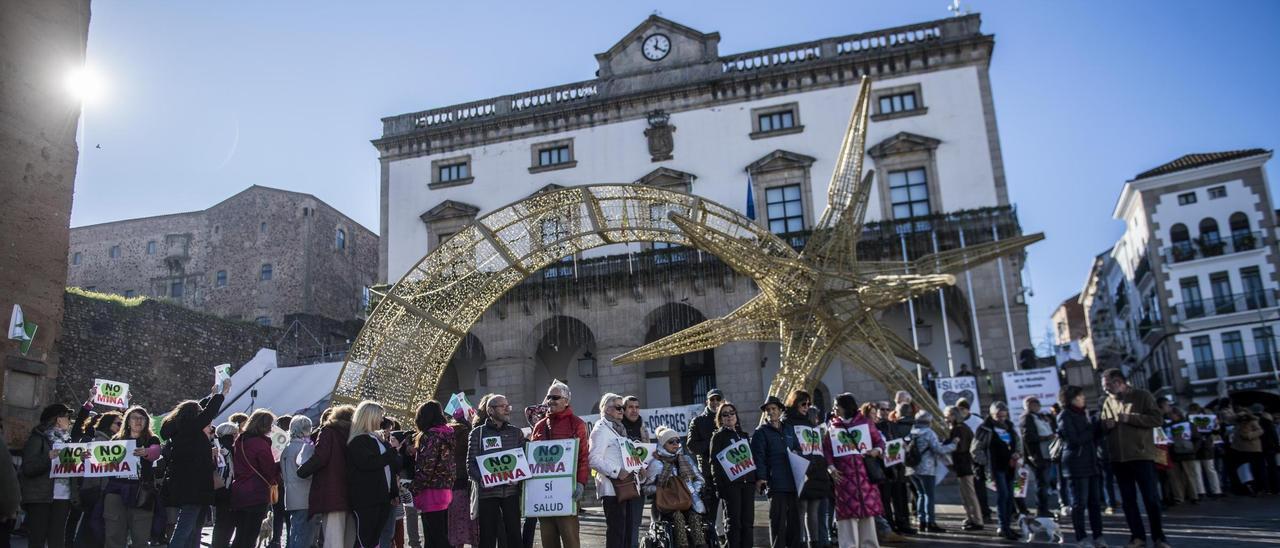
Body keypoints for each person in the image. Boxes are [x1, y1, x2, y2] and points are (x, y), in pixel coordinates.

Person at [1099, 368, 1170, 548]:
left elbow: (1157, 420)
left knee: (1151, 499)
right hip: (1118, 459)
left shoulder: (1142, 396)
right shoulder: (1107, 402)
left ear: (1119, 382)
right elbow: (1103, 426)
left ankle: (1159, 537)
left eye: (1107, 385)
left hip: (1141, 456)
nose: (1105, 389)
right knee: (1128, 501)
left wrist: (1130, 418)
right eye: (1103, 386)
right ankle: (1137, 537)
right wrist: (1105, 426)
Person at [530, 380, 590, 548]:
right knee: (548, 540)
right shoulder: (539, 426)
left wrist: (581, 483)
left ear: (566, 401)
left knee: (570, 539)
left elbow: (583, 456)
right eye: (549, 397)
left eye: (555, 397)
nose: (550, 401)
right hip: (544, 492)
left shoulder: (577, 423)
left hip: (567, 490)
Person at [823, 393, 883, 548]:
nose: (834, 408)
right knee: (846, 519)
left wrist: (876, 450)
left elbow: (879, 441)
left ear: (845, 407)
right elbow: (827, 451)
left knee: (867, 517)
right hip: (844, 478)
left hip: (864, 478)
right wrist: (831, 468)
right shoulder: (832, 427)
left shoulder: (865, 423)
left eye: (837, 405)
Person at [469, 394, 525, 548]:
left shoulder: (516, 433)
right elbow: (470, 465)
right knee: (487, 538)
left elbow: (523, 461)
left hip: (511, 493)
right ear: (490, 410)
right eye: (503, 406)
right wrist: (483, 480)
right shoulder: (477, 433)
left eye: (508, 406)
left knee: (514, 535)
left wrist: (519, 478)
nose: (507, 409)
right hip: (487, 495)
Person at [101, 407, 162, 548]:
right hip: (116, 491)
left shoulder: (152, 439)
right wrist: (89, 458)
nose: (138, 421)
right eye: (134, 417)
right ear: (128, 421)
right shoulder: (116, 439)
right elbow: (102, 462)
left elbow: (156, 452)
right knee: (113, 535)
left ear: (147, 422)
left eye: (142, 418)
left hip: (141, 492)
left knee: (140, 537)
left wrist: (146, 452)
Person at [344, 402, 402, 548]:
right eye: (379, 416)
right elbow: (368, 463)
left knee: (374, 539)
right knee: (365, 539)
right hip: (366, 499)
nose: (382, 420)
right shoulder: (358, 441)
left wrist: (393, 491)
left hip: (383, 496)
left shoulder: (376, 438)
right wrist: (392, 452)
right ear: (369, 417)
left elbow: (391, 467)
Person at [20, 403, 78, 548]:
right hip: (41, 497)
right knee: (37, 538)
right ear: (58, 419)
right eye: (67, 417)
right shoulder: (38, 438)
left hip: (63, 497)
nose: (69, 421)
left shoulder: (67, 440)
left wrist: (81, 460)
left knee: (57, 540)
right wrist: (48, 457)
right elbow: (28, 468)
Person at [297, 404, 355, 548]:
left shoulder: (329, 431)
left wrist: (302, 471)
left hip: (332, 491)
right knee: (348, 539)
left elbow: (321, 457)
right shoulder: (357, 434)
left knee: (332, 539)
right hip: (353, 493)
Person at [781, 390, 832, 548]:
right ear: (795, 403)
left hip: (816, 471)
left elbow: (819, 448)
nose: (806, 407)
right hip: (800, 470)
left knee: (814, 510)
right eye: (803, 403)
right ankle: (802, 542)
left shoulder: (811, 423)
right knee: (801, 509)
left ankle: (814, 543)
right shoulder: (788, 423)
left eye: (809, 404)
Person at [644, 426, 708, 548]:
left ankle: (701, 545)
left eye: (677, 441)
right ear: (663, 444)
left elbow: (700, 479)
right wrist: (661, 490)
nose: (675, 444)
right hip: (667, 504)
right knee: (678, 516)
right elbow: (646, 489)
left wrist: (691, 489)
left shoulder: (685, 459)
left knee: (695, 517)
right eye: (671, 442)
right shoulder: (656, 464)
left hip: (687, 501)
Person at [1057, 385, 1105, 547]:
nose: (1083, 398)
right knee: (1079, 503)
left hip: (1091, 463)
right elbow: (1074, 440)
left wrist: (1100, 426)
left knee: (1095, 503)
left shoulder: (1083, 414)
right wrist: (1092, 427)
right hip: (1076, 465)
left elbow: (1092, 437)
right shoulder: (1064, 416)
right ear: (1071, 399)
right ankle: (1081, 538)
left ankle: (1098, 537)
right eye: (1080, 396)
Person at [590, 393, 639, 548]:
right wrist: (617, 471)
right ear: (606, 408)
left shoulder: (619, 428)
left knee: (626, 533)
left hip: (626, 487)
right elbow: (593, 459)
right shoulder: (601, 429)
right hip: (612, 490)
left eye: (622, 407)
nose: (621, 411)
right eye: (618, 407)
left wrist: (638, 467)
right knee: (617, 534)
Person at [752, 395, 800, 548]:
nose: (771, 412)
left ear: (780, 411)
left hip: (793, 481)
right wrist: (761, 477)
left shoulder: (789, 429)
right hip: (775, 483)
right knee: (778, 522)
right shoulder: (760, 432)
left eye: (773, 409)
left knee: (794, 522)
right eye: (768, 410)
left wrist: (799, 456)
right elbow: (758, 457)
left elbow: (798, 448)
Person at [406, 401, 453, 548]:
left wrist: (413, 487)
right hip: (445, 488)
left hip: (431, 490)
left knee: (436, 537)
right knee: (438, 535)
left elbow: (427, 466)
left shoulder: (430, 436)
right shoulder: (447, 434)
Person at [709, 402, 755, 548]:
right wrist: (719, 487)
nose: (729, 416)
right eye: (725, 414)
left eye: (732, 413)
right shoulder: (718, 437)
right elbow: (714, 464)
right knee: (734, 523)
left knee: (748, 522)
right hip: (731, 486)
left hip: (748, 484)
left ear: (736, 415)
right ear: (720, 418)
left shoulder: (743, 435)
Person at [973, 401, 1020, 540]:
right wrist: (986, 463)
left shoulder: (1009, 426)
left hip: (1010, 466)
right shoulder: (985, 428)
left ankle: (1008, 526)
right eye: (998, 416)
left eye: (1004, 416)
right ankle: (1003, 526)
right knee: (1003, 495)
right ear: (991, 415)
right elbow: (975, 449)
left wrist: (1018, 453)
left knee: (1011, 496)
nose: (1001, 419)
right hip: (996, 467)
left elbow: (1017, 442)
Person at [904, 410, 953, 533]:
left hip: (911, 469)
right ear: (929, 422)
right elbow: (939, 449)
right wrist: (953, 445)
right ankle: (930, 522)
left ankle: (922, 522)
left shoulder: (912, 432)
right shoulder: (929, 433)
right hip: (926, 468)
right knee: (929, 495)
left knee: (920, 494)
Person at [686, 389, 723, 542]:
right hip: (708, 473)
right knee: (711, 512)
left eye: (717, 399)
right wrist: (713, 443)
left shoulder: (727, 416)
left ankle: (723, 537)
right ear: (707, 402)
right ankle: (711, 541)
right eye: (712, 400)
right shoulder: (698, 421)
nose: (715, 402)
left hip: (729, 472)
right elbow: (691, 445)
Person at [875, 403, 913, 536]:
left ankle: (902, 523)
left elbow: (898, 441)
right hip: (883, 468)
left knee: (899, 497)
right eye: (882, 409)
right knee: (886, 499)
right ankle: (890, 525)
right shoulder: (874, 426)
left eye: (887, 409)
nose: (885, 412)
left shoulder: (893, 425)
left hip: (896, 466)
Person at [944, 405, 982, 531]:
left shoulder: (959, 429)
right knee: (966, 494)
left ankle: (977, 520)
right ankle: (972, 518)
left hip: (964, 464)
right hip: (963, 465)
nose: (946, 418)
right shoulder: (961, 428)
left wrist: (949, 444)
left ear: (954, 416)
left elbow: (961, 448)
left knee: (969, 494)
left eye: (948, 416)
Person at [282, 416, 317, 548]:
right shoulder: (305, 448)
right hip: (305, 496)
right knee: (304, 536)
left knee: (294, 532)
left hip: (290, 496)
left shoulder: (287, 448)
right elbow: (307, 472)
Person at [955, 398, 993, 523]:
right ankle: (977, 512)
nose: (960, 412)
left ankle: (984, 512)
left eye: (962, 409)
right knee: (971, 489)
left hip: (976, 458)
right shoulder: (958, 422)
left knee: (979, 486)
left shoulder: (977, 421)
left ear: (967, 409)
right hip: (966, 458)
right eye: (958, 410)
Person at [1018, 397, 1056, 518]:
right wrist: (1046, 438)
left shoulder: (1040, 416)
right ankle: (1039, 509)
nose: (1035, 406)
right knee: (1040, 483)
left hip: (1045, 453)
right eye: (1032, 404)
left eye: (1037, 404)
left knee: (1043, 483)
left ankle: (1042, 509)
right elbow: (1028, 438)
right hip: (1036, 455)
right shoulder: (1027, 417)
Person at [448, 401, 479, 547]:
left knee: (455, 521)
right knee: (471, 518)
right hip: (466, 481)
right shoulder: (468, 432)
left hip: (451, 481)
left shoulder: (447, 432)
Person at [621, 395, 649, 548]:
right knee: (623, 523)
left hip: (640, 482)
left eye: (637, 407)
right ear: (624, 410)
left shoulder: (642, 427)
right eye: (630, 407)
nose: (634, 410)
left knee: (636, 522)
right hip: (623, 481)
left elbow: (647, 451)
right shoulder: (618, 427)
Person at [211, 422, 240, 548]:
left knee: (219, 522)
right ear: (233, 434)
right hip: (228, 489)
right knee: (227, 523)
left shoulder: (215, 446)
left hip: (216, 488)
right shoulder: (231, 449)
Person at [1185, 403, 1222, 499]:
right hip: (1205, 445)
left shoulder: (1190, 418)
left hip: (1198, 445)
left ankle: (1202, 491)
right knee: (1209, 469)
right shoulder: (1208, 417)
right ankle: (1215, 490)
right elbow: (1216, 430)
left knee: (1200, 470)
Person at [1164, 406, 1199, 505]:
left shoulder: (1188, 425)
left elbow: (1197, 438)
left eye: (1171, 414)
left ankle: (1192, 495)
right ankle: (1180, 497)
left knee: (1189, 476)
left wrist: (1193, 450)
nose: (1170, 416)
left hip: (1186, 453)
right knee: (1176, 477)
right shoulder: (1168, 426)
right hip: (1174, 454)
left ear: (1177, 414)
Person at [1232, 410, 1265, 496]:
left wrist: (1249, 435)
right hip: (1240, 449)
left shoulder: (1253, 422)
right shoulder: (1238, 423)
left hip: (1253, 448)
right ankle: (1247, 488)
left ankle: (1256, 488)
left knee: (1254, 469)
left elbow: (1260, 431)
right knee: (1244, 470)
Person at [1251, 404, 1279, 495]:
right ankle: (1276, 488)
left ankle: (1264, 488)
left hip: (1257, 448)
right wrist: (1277, 445)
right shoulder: (1267, 421)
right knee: (1272, 468)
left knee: (1260, 468)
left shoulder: (1252, 422)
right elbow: (1274, 435)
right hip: (1270, 447)